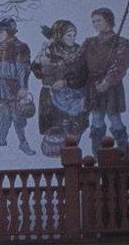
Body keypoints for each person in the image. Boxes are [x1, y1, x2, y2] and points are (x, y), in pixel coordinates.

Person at [78, 6, 129, 146]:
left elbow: (121, 64)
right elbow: (77, 60)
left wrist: (107, 82)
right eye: (94, 21)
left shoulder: (121, 42)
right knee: (96, 117)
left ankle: (123, 147)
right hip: (93, 85)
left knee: (114, 117)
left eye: (99, 21)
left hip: (111, 86)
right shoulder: (89, 42)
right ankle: (98, 150)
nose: (96, 24)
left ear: (108, 21)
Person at [33, 19, 88, 156]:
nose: (72, 38)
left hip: (71, 96)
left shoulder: (79, 51)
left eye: (74, 35)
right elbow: (37, 72)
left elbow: (84, 74)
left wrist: (65, 82)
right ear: (59, 35)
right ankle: (54, 152)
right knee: (53, 129)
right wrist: (41, 52)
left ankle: (70, 153)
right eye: (69, 35)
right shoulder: (49, 50)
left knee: (71, 127)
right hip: (49, 95)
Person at [0, 18, 36, 155]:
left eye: (2, 31)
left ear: (10, 32)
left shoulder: (20, 47)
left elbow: (23, 69)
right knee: (4, 114)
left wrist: (23, 87)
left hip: (13, 87)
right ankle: (1, 139)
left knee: (17, 116)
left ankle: (23, 143)